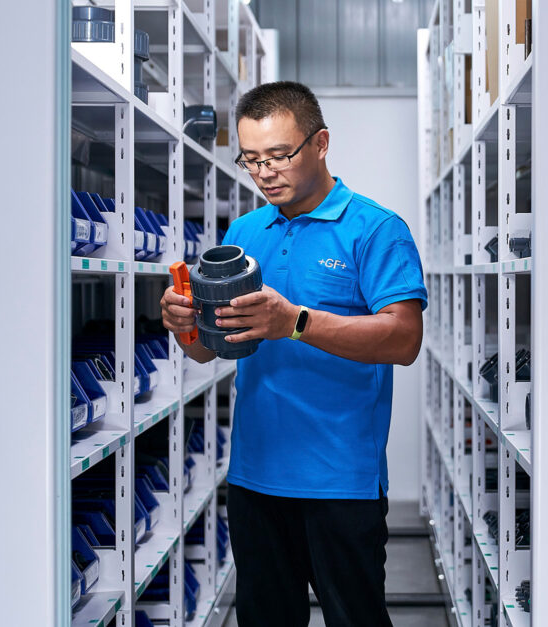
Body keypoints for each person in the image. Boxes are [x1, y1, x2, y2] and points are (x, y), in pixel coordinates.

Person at [160, 81, 427, 627]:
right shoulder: (244, 232)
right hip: (255, 477)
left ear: (321, 142)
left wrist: (296, 322)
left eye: (280, 155)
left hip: (340, 479)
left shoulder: (375, 230)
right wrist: (185, 327)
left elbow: (404, 340)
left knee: (355, 620)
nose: (265, 173)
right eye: (251, 159)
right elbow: (212, 354)